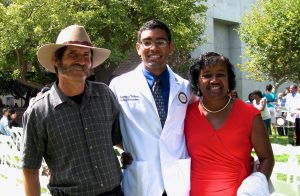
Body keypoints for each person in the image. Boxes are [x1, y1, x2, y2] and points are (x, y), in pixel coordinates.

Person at [21, 25, 123, 196]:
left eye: (86, 55)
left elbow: (119, 138)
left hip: (115, 192)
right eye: (72, 55)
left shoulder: (104, 95)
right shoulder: (38, 111)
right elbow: (30, 169)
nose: (81, 61)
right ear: (56, 59)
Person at [109, 20, 191, 196]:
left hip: (177, 179)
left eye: (160, 42)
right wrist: (129, 147)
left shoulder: (185, 87)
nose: (153, 48)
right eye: (147, 42)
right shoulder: (119, 85)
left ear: (170, 47)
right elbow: (108, 128)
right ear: (138, 48)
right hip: (141, 179)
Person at [185, 52, 274, 196]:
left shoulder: (250, 114)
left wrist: (255, 188)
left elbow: (267, 159)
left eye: (220, 74)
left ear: (229, 79)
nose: (214, 80)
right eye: (207, 75)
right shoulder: (184, 114)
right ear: (197, 81)